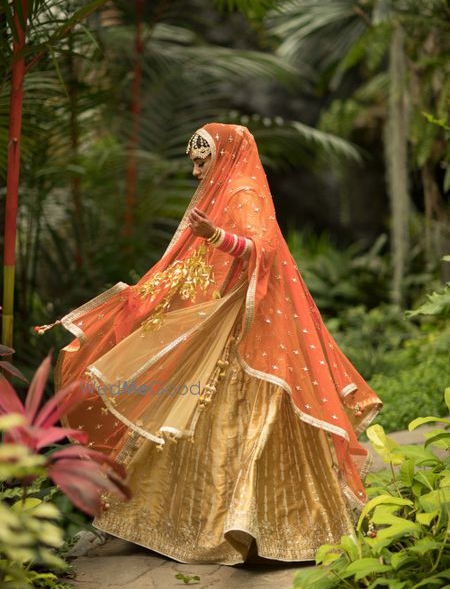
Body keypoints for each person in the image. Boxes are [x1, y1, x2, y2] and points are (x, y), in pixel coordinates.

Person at [37, 122, 383, 566]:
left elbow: (264, 250)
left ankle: (261, 527)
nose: (198, 170)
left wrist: (216, 236)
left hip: (252, 324)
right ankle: (194, 521)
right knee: (201, 413)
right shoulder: (225, 189)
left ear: (225, 156)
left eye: (203, 160)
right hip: (231, 319)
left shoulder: (241, 192)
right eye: (195, 162)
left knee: (251, 414)